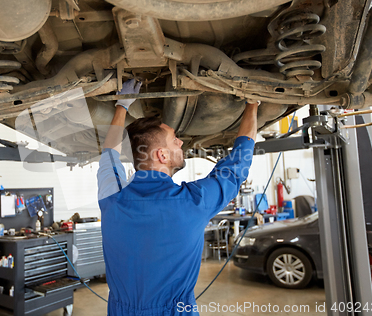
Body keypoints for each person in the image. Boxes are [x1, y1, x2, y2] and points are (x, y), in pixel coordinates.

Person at [97, 79, 258, 316]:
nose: (181, 142)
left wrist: (122, 105)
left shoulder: (112, 198)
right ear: (162, 155)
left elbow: (108, 155)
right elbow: (237, 165)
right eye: (175, 139)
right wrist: (252, 104)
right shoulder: (193, 202)